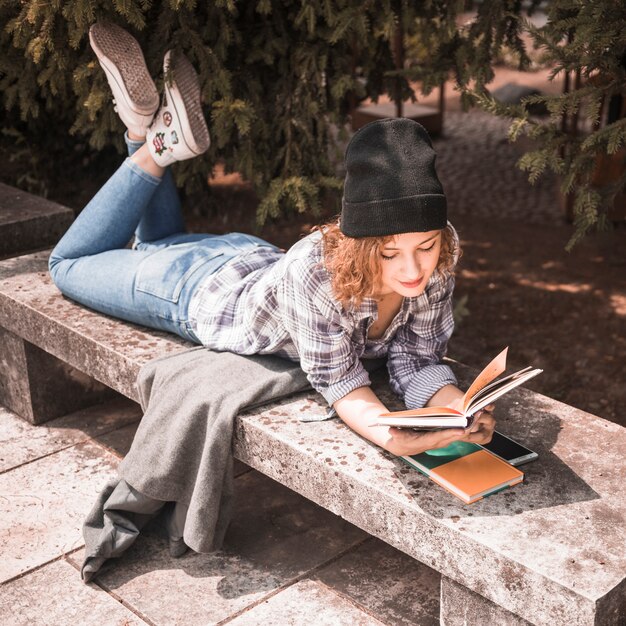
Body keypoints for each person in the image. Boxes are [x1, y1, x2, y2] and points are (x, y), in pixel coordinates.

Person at [49, 22, 495, 458]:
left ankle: (140, 128)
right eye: (389, 254)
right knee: (66, 265)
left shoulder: (439, 258)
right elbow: (342, 383)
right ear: (359, 245)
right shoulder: (316, 275)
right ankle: (152, 148)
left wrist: (457, 407)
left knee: (159, 238)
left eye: (426, 246)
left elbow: (417, 358)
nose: (414, 269)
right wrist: (395, 439)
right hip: (188, 290)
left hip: (248, 257)